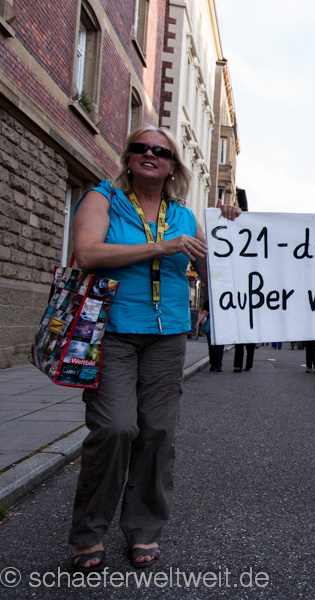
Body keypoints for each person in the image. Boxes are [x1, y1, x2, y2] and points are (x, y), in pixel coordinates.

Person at [69, 125, 242, 571]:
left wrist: (230, 225)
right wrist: (160, 247)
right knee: (115, 428)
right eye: (142, 148)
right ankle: (89, 532)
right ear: (129, 157)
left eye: (161, 152)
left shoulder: (184, 216)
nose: (151, 154)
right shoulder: (103, 198)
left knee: (158, 433)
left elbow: (219, 266)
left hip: (168, 336)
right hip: (114, 330)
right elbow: (87, 254)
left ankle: (144, 528)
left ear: (172, 167)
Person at [194, 299, 223, 372]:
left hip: (217, 326)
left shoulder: (210, 300)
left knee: (214, 346)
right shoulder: (212, 300)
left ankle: (215, 364)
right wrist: (198, 322)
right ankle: (216, 365)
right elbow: (204, 313)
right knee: (216, 346)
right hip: (216, 326)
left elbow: (204, 313)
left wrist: (198, 322)